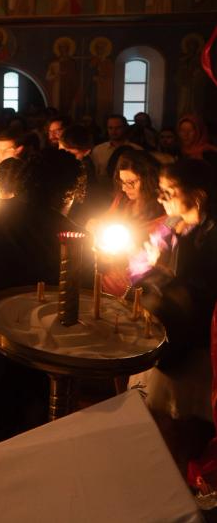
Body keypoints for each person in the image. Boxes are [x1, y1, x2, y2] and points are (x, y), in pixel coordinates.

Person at [0, 148, 82, 447]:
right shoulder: (71, 233)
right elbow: (77, 300)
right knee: (28, 439)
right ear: (67, 192)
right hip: (36, 347)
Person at [129, 160, 217, 450]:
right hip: (163, 329)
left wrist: (165, 271)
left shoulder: (209, 237)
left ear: (198, 195)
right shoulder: (169, 225)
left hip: (194, 345)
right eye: (160, 190)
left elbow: (200, 295)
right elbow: (138, 268)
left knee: (182, 427)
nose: (160, 198)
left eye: (169, 191)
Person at [96, 150, 166, 297]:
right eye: (122, 182)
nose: (124, 188)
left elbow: (159, 261)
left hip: (137, 293)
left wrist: (131, 250)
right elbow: (103, 225)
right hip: (107, 285)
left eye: (131, 182)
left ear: (149, 179)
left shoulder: (164, 211)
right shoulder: (122, 200)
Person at [91, 114, 141, 183]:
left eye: (118, 128)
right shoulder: (98, 150)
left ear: (125, 128)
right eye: (110, 128)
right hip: (102, 189)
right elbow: (94, 174)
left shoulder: (137, 150)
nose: (114, 131)